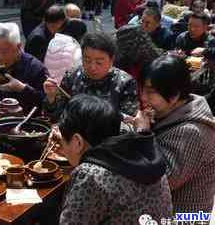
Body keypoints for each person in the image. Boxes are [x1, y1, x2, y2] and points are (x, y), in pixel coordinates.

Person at [54, 95, 172, 225]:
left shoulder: (90, 175)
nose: (62, 148)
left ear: (78, 142)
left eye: (63, 141)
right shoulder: (146, 153)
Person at [132, 55, 215, 212]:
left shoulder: (192, 132)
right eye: (141, 89)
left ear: (175, 95)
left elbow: (161, 180)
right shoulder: (169, 111)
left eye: (150, 92)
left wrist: (143, 132)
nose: (143, 97)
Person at [43, 32, 138, 122]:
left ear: (111, 60)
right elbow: (55, 117)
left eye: (99, 62)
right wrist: (51, 97)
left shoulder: (125, 83)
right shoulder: (72, 76)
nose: (92, 67)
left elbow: (128, 122)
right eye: (87, 60)